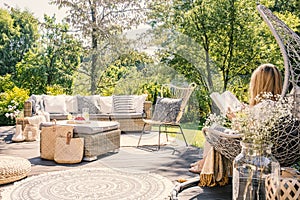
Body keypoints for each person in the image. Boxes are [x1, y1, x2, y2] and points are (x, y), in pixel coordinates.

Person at [189, 63, 283, 186]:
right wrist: (246, 111)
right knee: (216, 129)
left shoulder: (262, 107)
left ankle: (205, 166)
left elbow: (248, 134)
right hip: (270, 146)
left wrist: (234, 118)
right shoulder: (275, 105)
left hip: (249, 147)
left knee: (212, 129)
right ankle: (203, 162)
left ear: (260, 84)